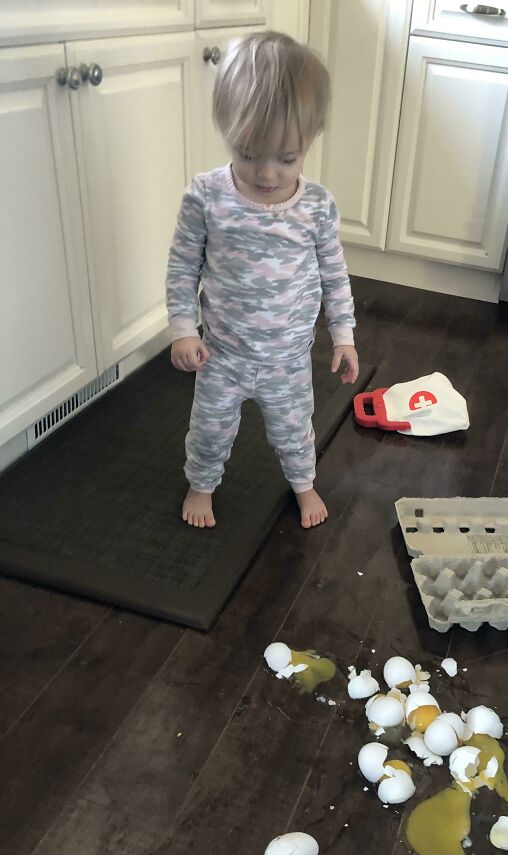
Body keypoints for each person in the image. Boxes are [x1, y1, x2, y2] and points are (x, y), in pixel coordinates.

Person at [166, 31, 359, 530]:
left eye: (287, 158)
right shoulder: (207, 197)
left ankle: (303, 483)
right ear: (226, 129)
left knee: (295, 431)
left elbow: (334, 274)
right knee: (209, 430)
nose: (268, 173)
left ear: (310, 141)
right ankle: (201, 486)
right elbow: (183, 266)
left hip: (288, 358)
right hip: (222, 353)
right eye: (249, 154)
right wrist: (183, 329)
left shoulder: (316, 206)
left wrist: (344, 336)